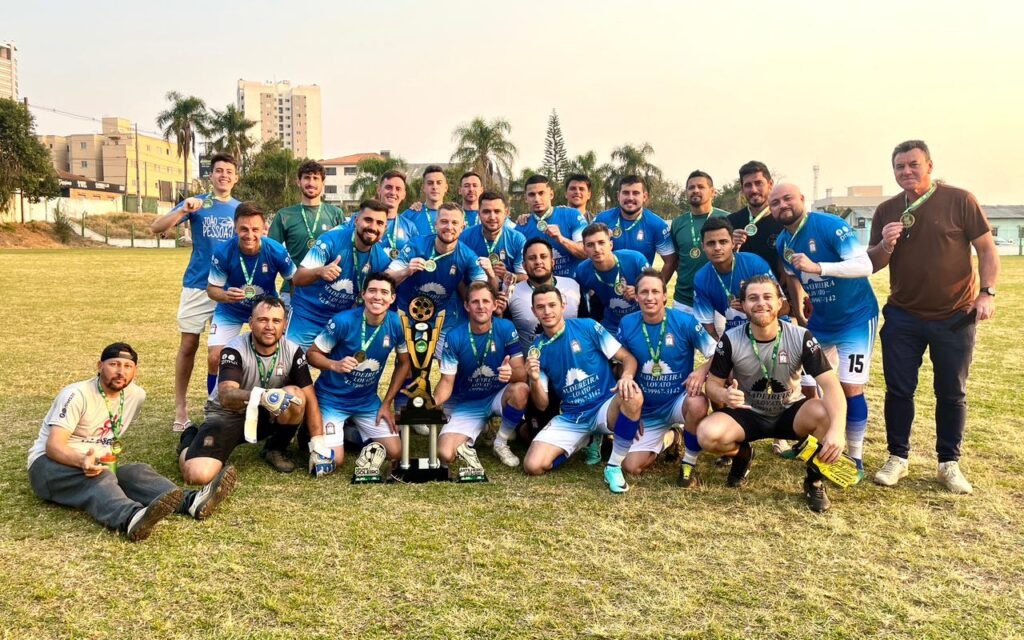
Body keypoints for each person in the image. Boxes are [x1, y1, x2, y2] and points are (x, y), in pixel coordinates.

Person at [867, 140, 999, 494]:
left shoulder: (960, 199)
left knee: (952, 392)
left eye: (913, 164)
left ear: (929, 165)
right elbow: (874, 263)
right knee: (898, 390)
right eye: (899, 167)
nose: (906, 172)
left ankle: (948, 463)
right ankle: (898, 457)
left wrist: (986, 293)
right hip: (903, 315)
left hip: (954, 315)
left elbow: (986, 249)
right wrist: (884, 244)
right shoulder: (887, 210)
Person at [28, 343, 236, 541]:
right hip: (49, 466)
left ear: (135, 370)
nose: (121, 371)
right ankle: (131, 518)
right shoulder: (76, 394)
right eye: (114, 364)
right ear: (100, 366)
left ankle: (191, 501)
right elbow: (54, 446)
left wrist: (98, 461)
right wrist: (82, 460)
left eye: (128, 366)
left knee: (137, 471)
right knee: (100, 480)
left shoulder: (135, 396)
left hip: (99, 465)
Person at [696, 276, 846, 512]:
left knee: (825, 413)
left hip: (790, 411)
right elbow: (712, 385)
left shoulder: (801, 337)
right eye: (753, 298)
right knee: (707, 434)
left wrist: (837, 431)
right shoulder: (731, 339)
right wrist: (724, 396)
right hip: (748, 413)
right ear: (743, 305)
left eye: (767, 297)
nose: (761, 303)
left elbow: (831, 386)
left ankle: (814, 480)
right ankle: (743, 454)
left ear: (779, 303)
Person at [770, 182, 879, 474]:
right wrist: (801, 304)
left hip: (855, 318)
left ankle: (854, 456)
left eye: (788, 199)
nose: (783, 205)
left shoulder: (831, 225)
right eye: (776, 202)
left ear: (802, 199)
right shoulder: (783, 242)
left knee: (850, 387)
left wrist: (820, 267)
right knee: (807, 384)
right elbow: (794, 276)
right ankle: (812, 441)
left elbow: (864, 265)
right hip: (821, 322)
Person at [522, 285, 644, 494]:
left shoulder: (587, 327)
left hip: (605, 407)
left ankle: (613, 467)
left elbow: (627, 358)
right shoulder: (536, 349)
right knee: (533, 466)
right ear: (534, 311)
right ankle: (586, 439)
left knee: (632, 394)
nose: (547, 311)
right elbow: (542, 404)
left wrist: (626, 377)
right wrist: (533, 379)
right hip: (572, 416)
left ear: (563, 306)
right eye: (540, 307)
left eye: (552, 305)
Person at [149, 152, 240, 432]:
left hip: (227, 289)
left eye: (229, 171)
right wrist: (184, 211)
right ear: (210, 176)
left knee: (221, 354)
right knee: (188, 345)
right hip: (197, 285)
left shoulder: (240, 208)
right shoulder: (197, 204)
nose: (223, 175)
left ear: (236, 178)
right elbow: (156, 228)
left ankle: (217, 405)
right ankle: (181, 407)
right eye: (218, 171)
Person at [179, 297, 318, 478]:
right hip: (229, 415)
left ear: (284, 325)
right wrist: (261, 396)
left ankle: (275, 448)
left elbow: (310, 398)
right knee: (198, 475)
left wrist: (318, 442)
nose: (269, 326)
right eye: (263, 320)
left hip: (265, 414)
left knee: (295, 396)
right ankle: (189, 442)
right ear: (251, 323)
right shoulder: (234, 350)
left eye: (276, 321)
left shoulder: (293, 351)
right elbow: (226, 395)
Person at [304, 273, 412, 477]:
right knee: (334, 460)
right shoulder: (342, 321)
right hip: (331, 399)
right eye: (372, 291)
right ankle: (313, 428)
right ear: (363, 294)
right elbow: (311, 355)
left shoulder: (397, 324)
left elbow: (404, 363)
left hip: (366, 401)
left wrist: (386, 403)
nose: (377, 297)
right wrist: (334, 365)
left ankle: (348, 432)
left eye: (384, 292)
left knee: (396, 452)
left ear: (392, 298)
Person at [616, 270, 716, 483]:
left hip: (679, 402)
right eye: (644, 292)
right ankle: (672, 438)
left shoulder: (685, 322)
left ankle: (688, 461)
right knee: (631, 466)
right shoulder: (626, 323)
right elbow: (621, 363)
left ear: (664, 296)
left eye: (655, 292)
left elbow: (718, 353)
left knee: (698, 402)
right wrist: (631, 411)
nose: (649, 297)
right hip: (648, 408)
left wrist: (701, 370)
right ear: (636, 296)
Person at [434, 282, 528, 471]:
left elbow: (522, 373)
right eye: (475, 302)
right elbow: (446, 381)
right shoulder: (454, 336)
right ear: (467, 306)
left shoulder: (506, 327)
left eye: (486, 301)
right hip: (467, 403)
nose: (481, 306)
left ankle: (500, 442)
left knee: (520, 390)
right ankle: (483, 428)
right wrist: (430, 404)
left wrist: (511, 373)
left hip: (496, 395)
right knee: (445, 454)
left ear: (494, 305)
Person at [286, 200, 391, 349]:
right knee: (290, 366)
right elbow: (297, 278)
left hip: (340, 321)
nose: (373, 227)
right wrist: (320, 271)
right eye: (368, 220)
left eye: (379, 223)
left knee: (342, 369)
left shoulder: (381, 260)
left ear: (385, 228)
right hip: (307, 316)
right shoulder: (331, 240)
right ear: (356, 221)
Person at [207, 202, 296, 371]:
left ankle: (269, 395)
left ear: (264, 229)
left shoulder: (276, 250)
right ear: (235, 228)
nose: (249, 235)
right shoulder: (223, 252)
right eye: (244, 229)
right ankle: (213, 397)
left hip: (265, 311)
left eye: (255, 229)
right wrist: (225, 296)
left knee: (276, 357)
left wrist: (291, 310)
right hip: (230, 309)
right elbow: (212, 290)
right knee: (215, 357)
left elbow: (294, 281)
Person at [388, 203, 489, 345]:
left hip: (442, 318)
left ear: (462, 227)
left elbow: (483, 291)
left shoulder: (468, 256)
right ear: (435, 224)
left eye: (454, 223)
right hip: (407, 313)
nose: (449, 227)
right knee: (408, 363)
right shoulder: (417, 245)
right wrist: (406, 271)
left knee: (444, 364)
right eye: (444, 221)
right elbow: (386, 278)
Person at [268, 160, 346, 309]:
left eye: (316, 178)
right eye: (307, 178)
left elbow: (344, 251)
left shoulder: (336, 214)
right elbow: (272, 254)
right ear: (298, 181)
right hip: (292, 290)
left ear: (323, 183)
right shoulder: (284, 215)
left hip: (327, 291)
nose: (311, 183)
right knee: (290, 333)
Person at [693, 217, 777, 340]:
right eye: (711, 243)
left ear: (733, 243)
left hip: (770, 330)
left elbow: (784, 307)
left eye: (723, 242)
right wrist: (721, 349)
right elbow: (707, 325)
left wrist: (751, 310)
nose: (717, 248)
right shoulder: (701, 278)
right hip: (736, 336)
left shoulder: (755, 264)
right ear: (703, 246)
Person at [503, 238, 582, 351]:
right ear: (524, 266)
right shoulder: (512, 293)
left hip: (571, 357)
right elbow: (506, 334)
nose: (538, 262)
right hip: (532, 363)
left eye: (543, 256)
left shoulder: (573, 286)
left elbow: (584, 326)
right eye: (532, 258)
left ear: (552, 262)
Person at [670, 170, 731, 314]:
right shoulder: (678, 223)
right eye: (691, 187)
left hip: (719, 300)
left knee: (718, 337)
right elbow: (676, 260)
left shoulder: (728, 219)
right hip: (684, 300)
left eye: (700, 187)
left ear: (712, 192)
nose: (695, 190)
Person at [594, 175, 676, 280]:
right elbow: (587, 252)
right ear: (618, 196)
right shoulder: (602, 219)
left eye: (636, 193)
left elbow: (671, 262)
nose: (630, 198)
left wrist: (656, 287)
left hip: (640, 292)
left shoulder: (657, 224)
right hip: (606, 286)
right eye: (626, 193)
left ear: (645, 196)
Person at [573, 222, 649, 333]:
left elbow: (658, 291)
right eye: (590, 245)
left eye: (601, 242)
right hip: (611, 326)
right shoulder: (582, 271)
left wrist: (639, 292)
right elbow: (582, 303)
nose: (597, 249)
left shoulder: (635, 259)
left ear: (611, 245)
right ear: (584, 249)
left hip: (641, 322)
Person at [515, 175, 588, 278]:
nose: (537, 199)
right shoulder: (521, 226)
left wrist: (561, 239)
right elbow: (519, 267)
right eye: (532, 195)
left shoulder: (572, 215)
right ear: (526, 198)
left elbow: (586, 252)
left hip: (573, 287)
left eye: (541, 193)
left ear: (551, 194)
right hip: (539, 291)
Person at [728, 161, 786, 282]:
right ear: (742, 189)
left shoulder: (785, 220)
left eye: (758, 183)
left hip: (779, 295)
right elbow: (722, 264)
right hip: (743, 295)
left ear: (770, 184)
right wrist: (730, 247)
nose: (753, 190)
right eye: (748, 185)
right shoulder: (730, 222)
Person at [459, 191, 527, 287]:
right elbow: (458, 277)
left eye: (497, 211)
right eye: (486, 211)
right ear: (479, 213)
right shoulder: (465, 238)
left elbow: (525, 277)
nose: (492, 217)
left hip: (507, 296)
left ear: (506, 212)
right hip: (475, 297)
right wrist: (467, 297)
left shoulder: (517, 239)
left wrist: (506, 275)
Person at [376, 170, 419, 260]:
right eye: (388, 187)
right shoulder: (362, 220)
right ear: (379, 190)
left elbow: (416, 255)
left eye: (398, 189)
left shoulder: (410, 226)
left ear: (404, 194)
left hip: (400, 273)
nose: (393, 192)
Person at [401, 165, 448, 236]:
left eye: (439, 183)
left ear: (445, 188)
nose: (435, 187)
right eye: (430, 183)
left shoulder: (455, 215)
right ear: (423, 188)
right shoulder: (410, 215)